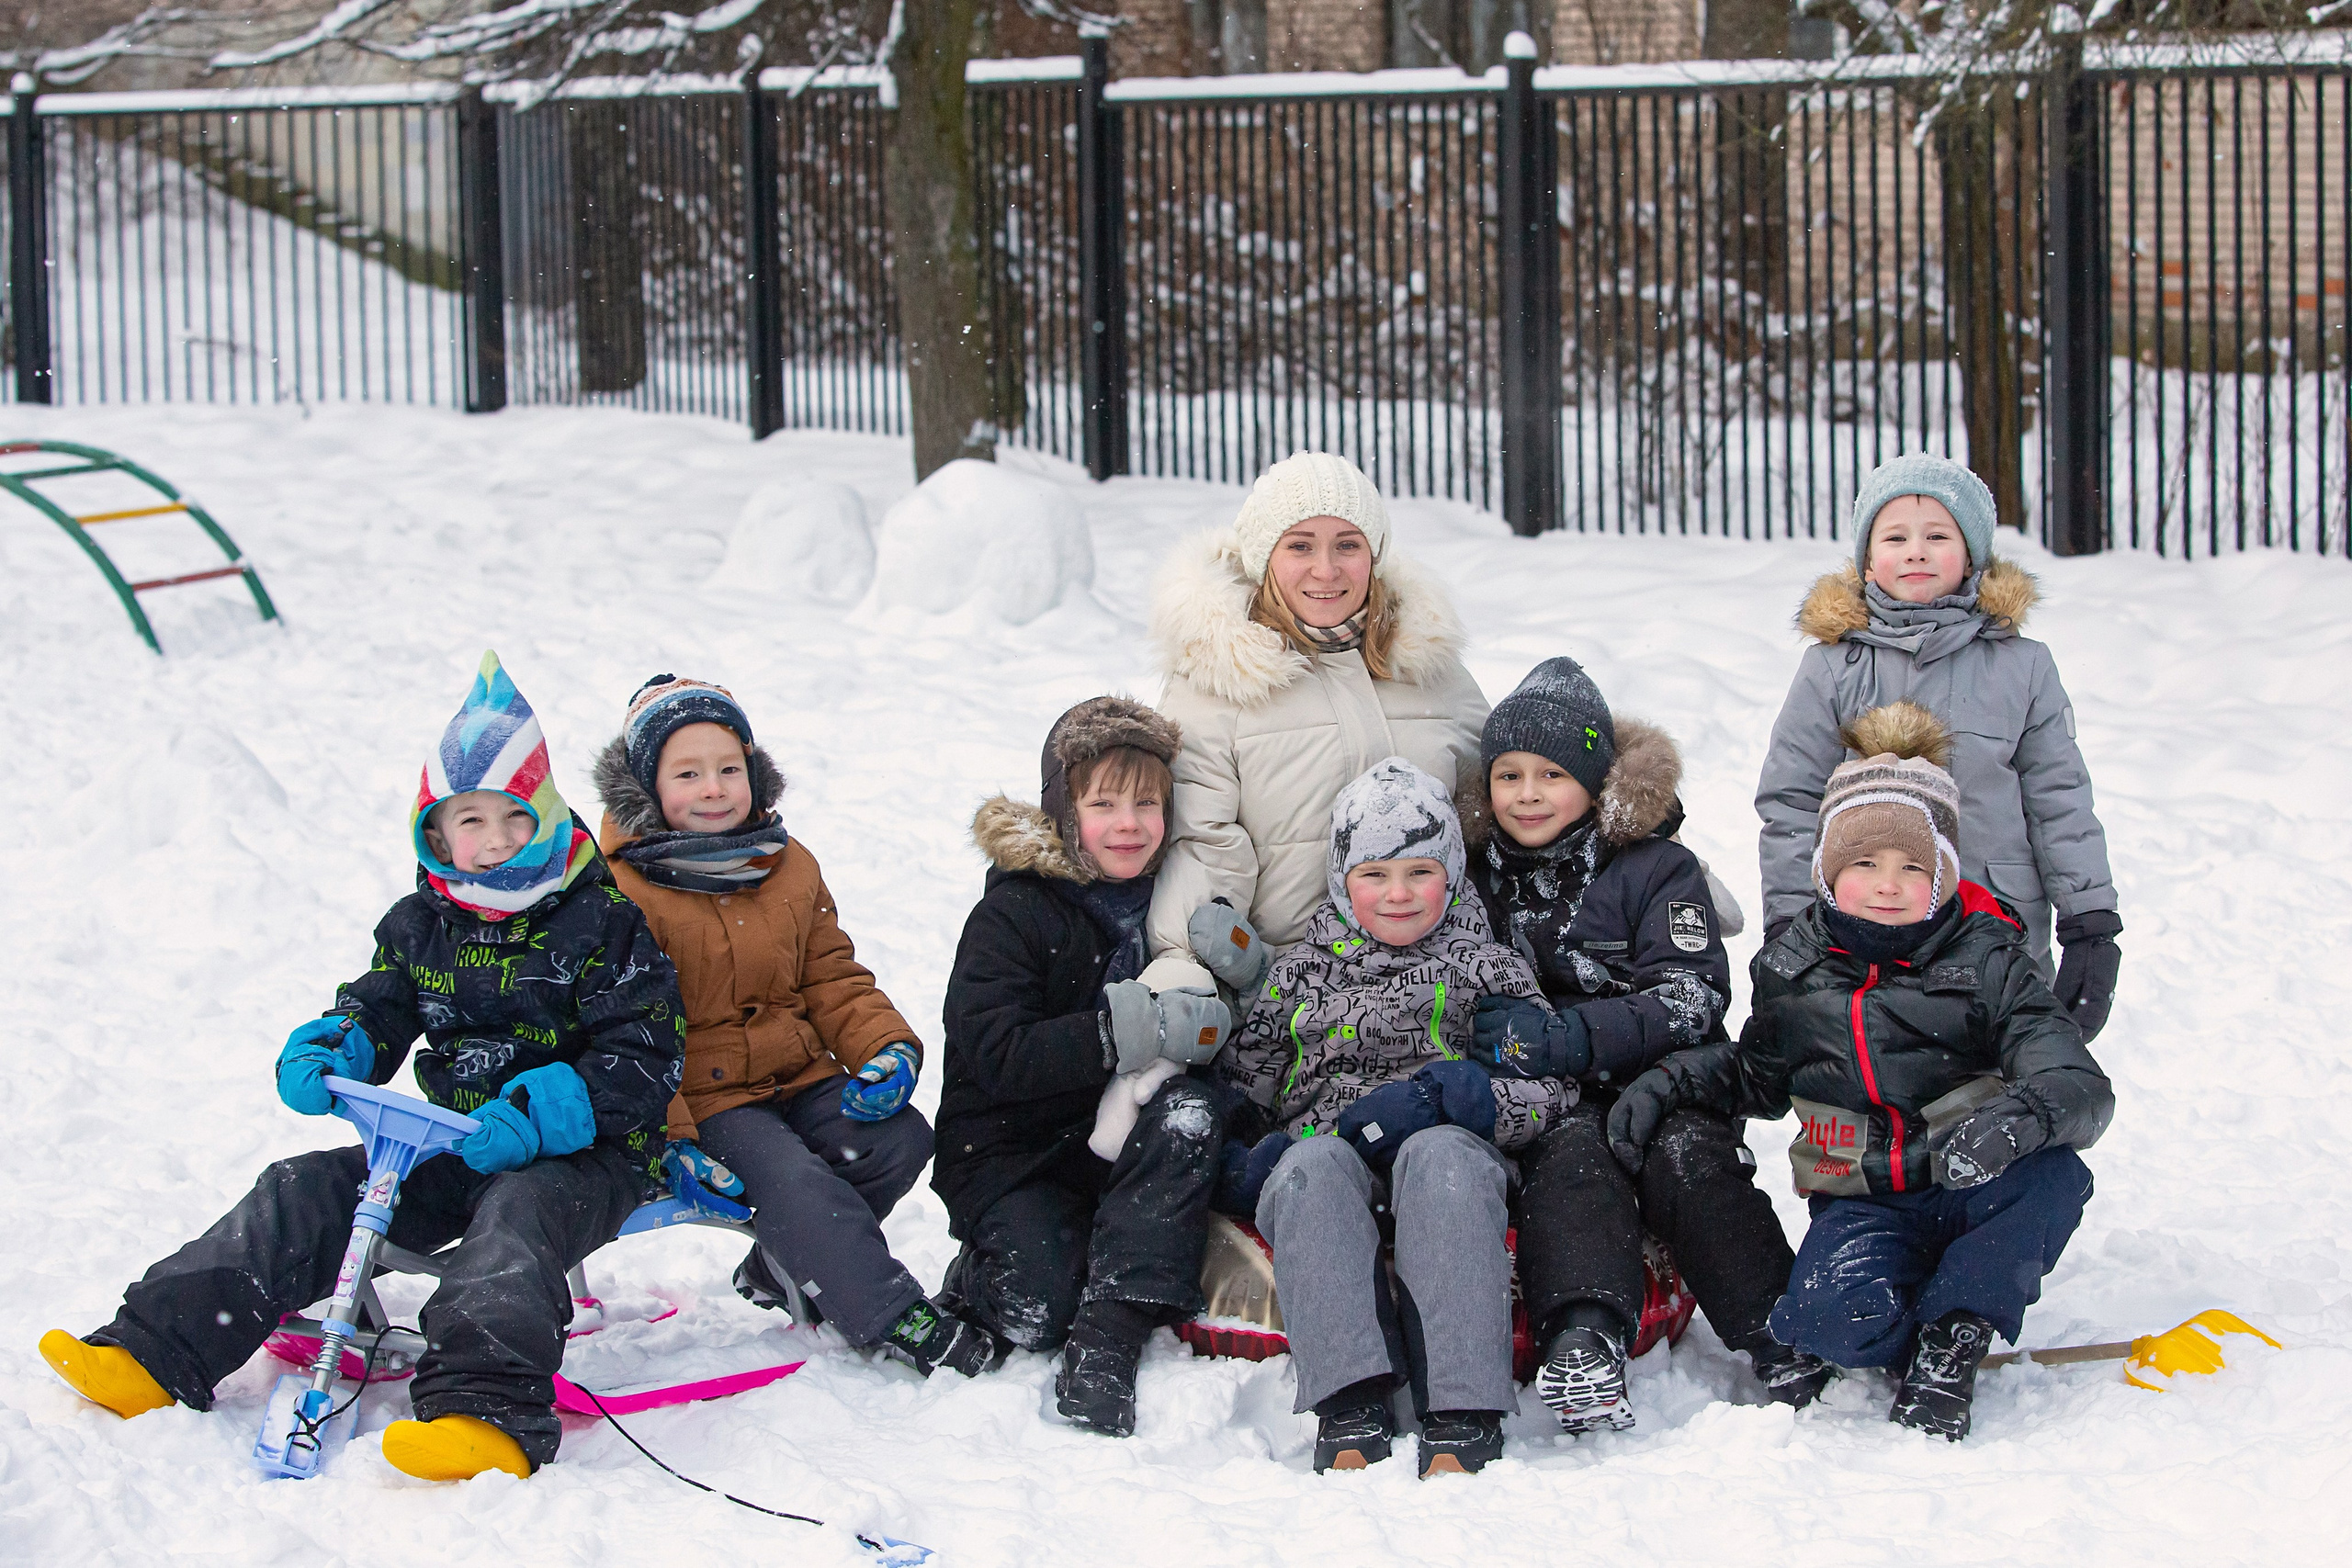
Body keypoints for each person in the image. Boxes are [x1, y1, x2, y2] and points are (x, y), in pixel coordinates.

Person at [39, 652, 684, 1481]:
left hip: (586, 1152)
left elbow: (646, 1054)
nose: (490, 844)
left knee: (515, 1221)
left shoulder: (604, 922)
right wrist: (341, 1040)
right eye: (469, 822)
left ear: (548, 819)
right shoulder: (421, 922)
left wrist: (542, 1110)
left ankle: (483, 1411)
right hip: (452, 1136)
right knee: (304, 1187)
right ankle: (155, 1349)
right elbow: (381, 1005)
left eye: (512, 820)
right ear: (436, 831)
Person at [1612, 703, 2114, 1440]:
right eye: (1864, 864)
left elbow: (2078, 1081)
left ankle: (1956, 1331)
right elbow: (1759, 1074)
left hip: (1976, 1176)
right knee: (1823, 1324)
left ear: (1943, 872)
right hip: (1866, 1195)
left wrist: (2020, 1119)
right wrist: (1673, 1079)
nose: (1888, 883)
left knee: (2056, 1176)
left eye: (1913, 866)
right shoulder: (1797, 967)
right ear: (1827, 870)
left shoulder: (1988, 956)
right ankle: (1909, 1308)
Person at [1460, 657, 1831, 1433]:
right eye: (1509, 775)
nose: (1527, 794)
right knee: (1568, 1159)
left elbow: (1691, 994)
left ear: (1596, 783)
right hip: (1550, 1094)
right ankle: (1585, 1333)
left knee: (1689, 1161)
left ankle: (1781, 1327)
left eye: (1553, 774)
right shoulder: (1476, 876)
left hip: (1665, 1077)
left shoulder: (1655, 867)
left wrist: (1568, 1036)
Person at [593, 675, 980, 1376]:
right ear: (646, 787)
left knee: (897, 1139)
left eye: (728, 768)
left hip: (795, 1072)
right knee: (794, 1181)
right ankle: (891, 1311)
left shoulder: (786, 863)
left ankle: (781, 1268)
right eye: (687, 773)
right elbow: (624, 1031)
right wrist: (673, 1137)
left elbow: (829, 974)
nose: (713, 787)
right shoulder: (619, 890)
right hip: (703, 1097)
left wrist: (885, 1048)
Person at [1221, 758, 1569, 1478]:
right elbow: (1249, 1085)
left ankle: (1461, 1402)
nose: (1399, 894)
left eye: (1420, 871)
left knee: (1441, 1156)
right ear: (1342, 880)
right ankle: (1350, 1394)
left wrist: (1478, 1101)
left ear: (1451, 871)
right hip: (1332, 1152)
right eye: (1374, 875)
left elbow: (1551, 1088)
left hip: (1447, 1160)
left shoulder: (1487, 965)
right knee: (1309, 1169)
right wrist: (1254, 1153)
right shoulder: (1297, 972)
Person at [933, 697, 1229, 1437]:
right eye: (1104, 803)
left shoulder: (1170, 899)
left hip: (1116, 1145)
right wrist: (1112, 1034)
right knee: (1034, 1308)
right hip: (1016, 1151)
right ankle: (984, 1273)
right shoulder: (1016, 912)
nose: (1129, 823)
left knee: (1192, 1112)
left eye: (1147, 803)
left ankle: (1113, 1328)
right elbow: (996, 1051)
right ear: (1065, 809)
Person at [1756, 454, 2121, 1043]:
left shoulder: (2022, 667)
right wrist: (1791, 921)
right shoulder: (1832, 668)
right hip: (1866, 924)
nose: (1916, 551)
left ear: (1972, 554)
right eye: (1895, 536)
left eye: (1938, 536)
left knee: (1997, 1091)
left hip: (1995, 922)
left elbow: (2059, 800)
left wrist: (2089, 921)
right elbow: (1792, 800)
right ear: (1869, 561)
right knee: (1875, 1085)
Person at [1142, 450, 1488, 995]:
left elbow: (1499, 807)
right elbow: (1202, 845)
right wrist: (1188, 975)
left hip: (1439, 985)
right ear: (1265, 558)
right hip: (1283, 995)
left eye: (1347, 545)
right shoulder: (1215, 682)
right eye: (1300, 546)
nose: (1325, 570)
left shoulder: (1433, 670)